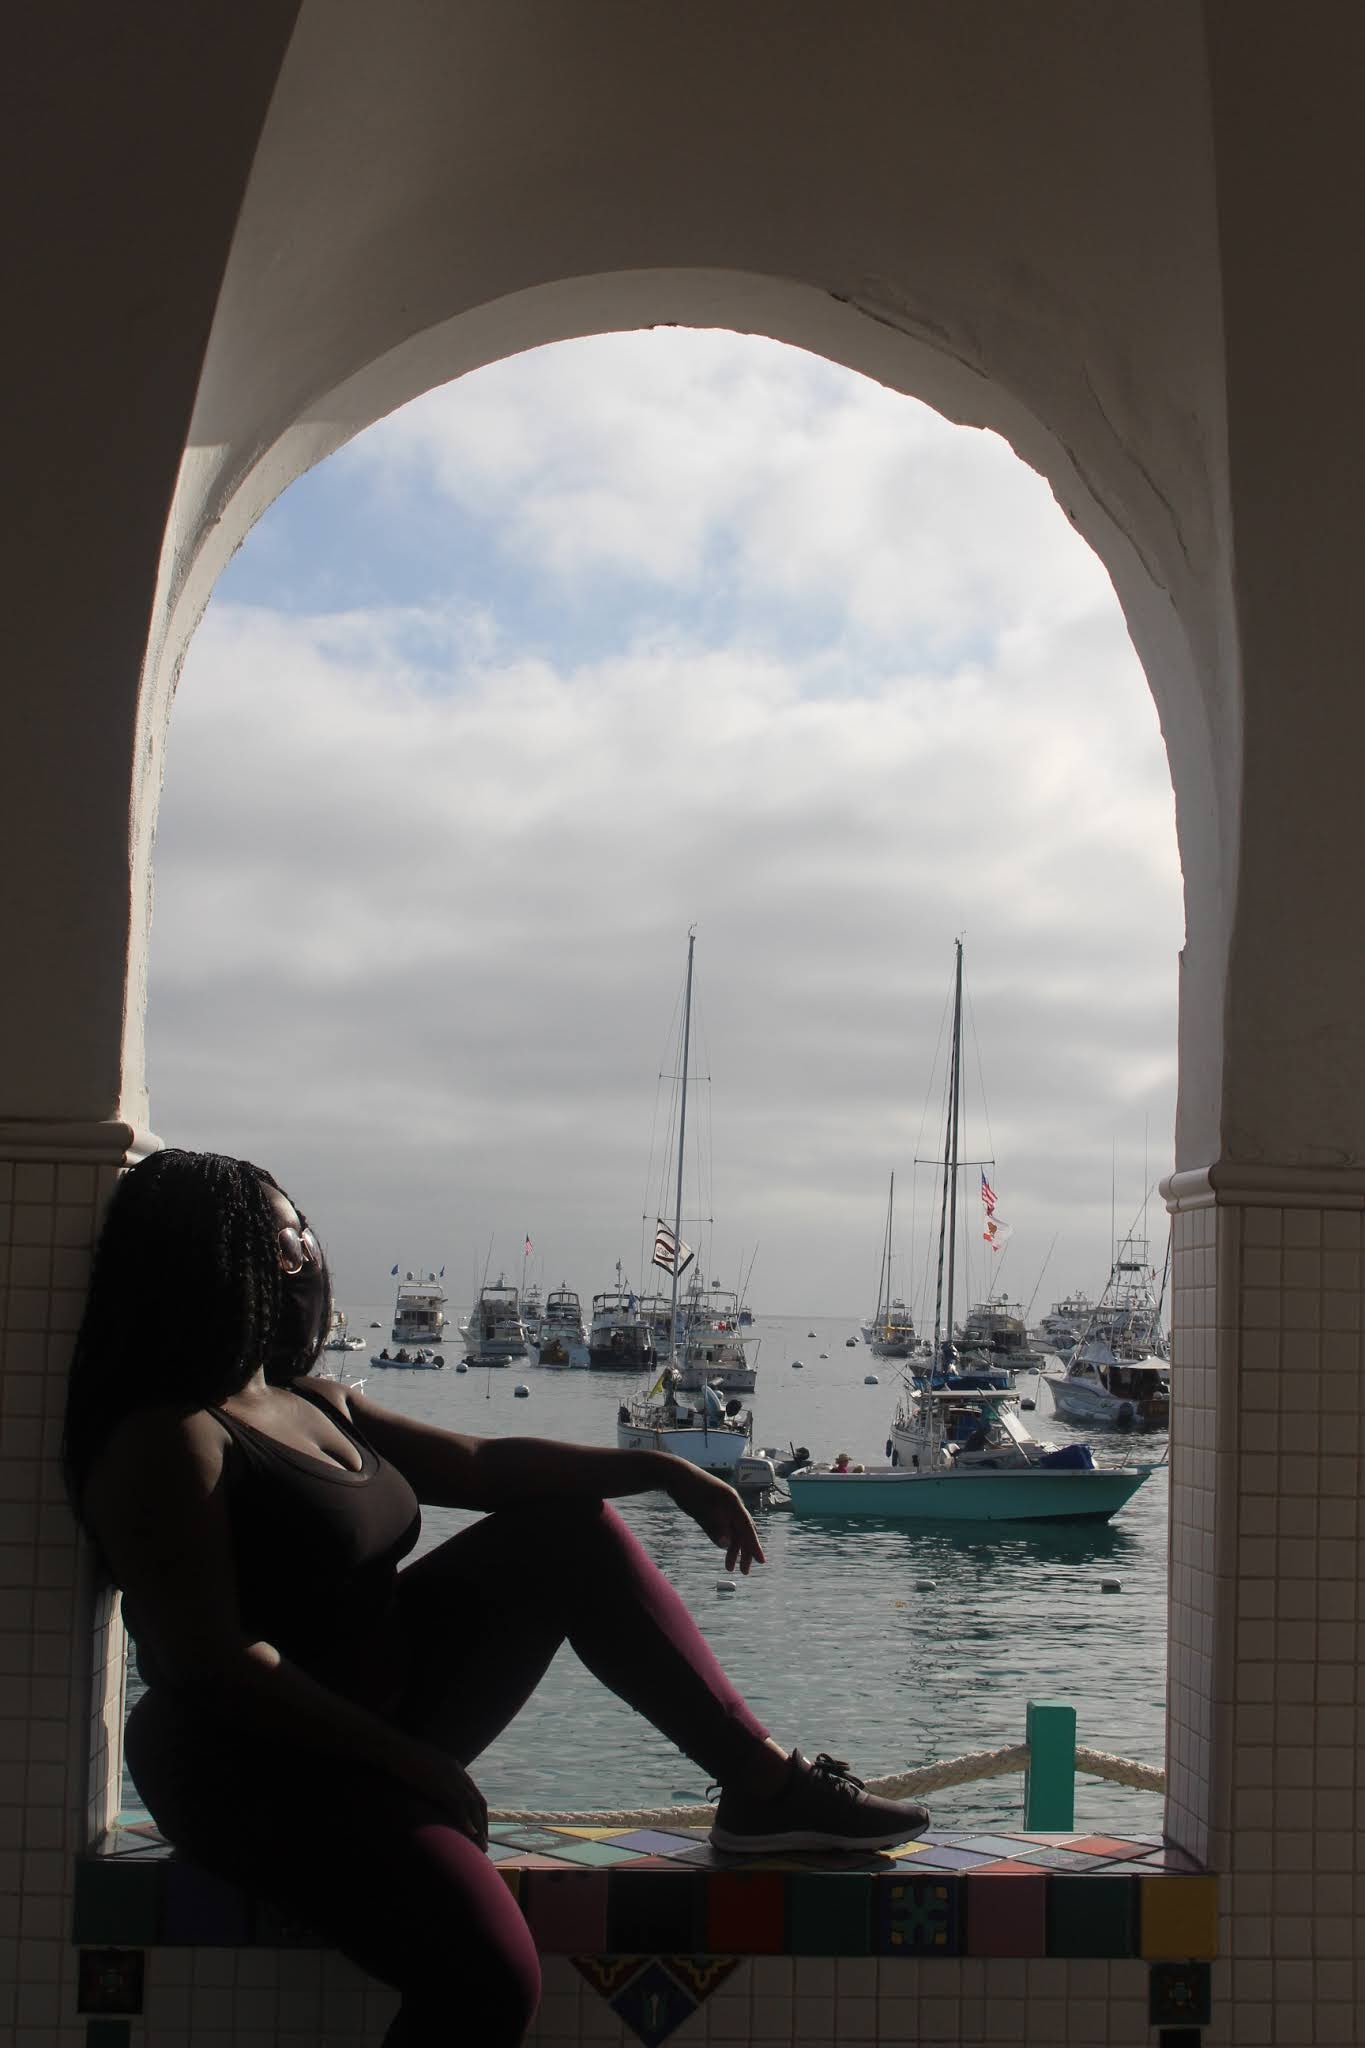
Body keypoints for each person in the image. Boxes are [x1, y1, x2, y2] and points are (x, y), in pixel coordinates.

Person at [64, 1151, 930, 2048]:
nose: (311, 1259)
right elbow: (215, 1664)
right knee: (487, 1977)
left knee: (569, 1531)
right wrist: (411, 1764)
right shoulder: (170, 1443)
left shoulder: (315, 1404)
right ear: (221, 1261)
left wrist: (661, 1470)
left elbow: (483, 1467)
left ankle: (762, 1787)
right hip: (260, 1767)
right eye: (292, 1243)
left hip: (383, 1717)